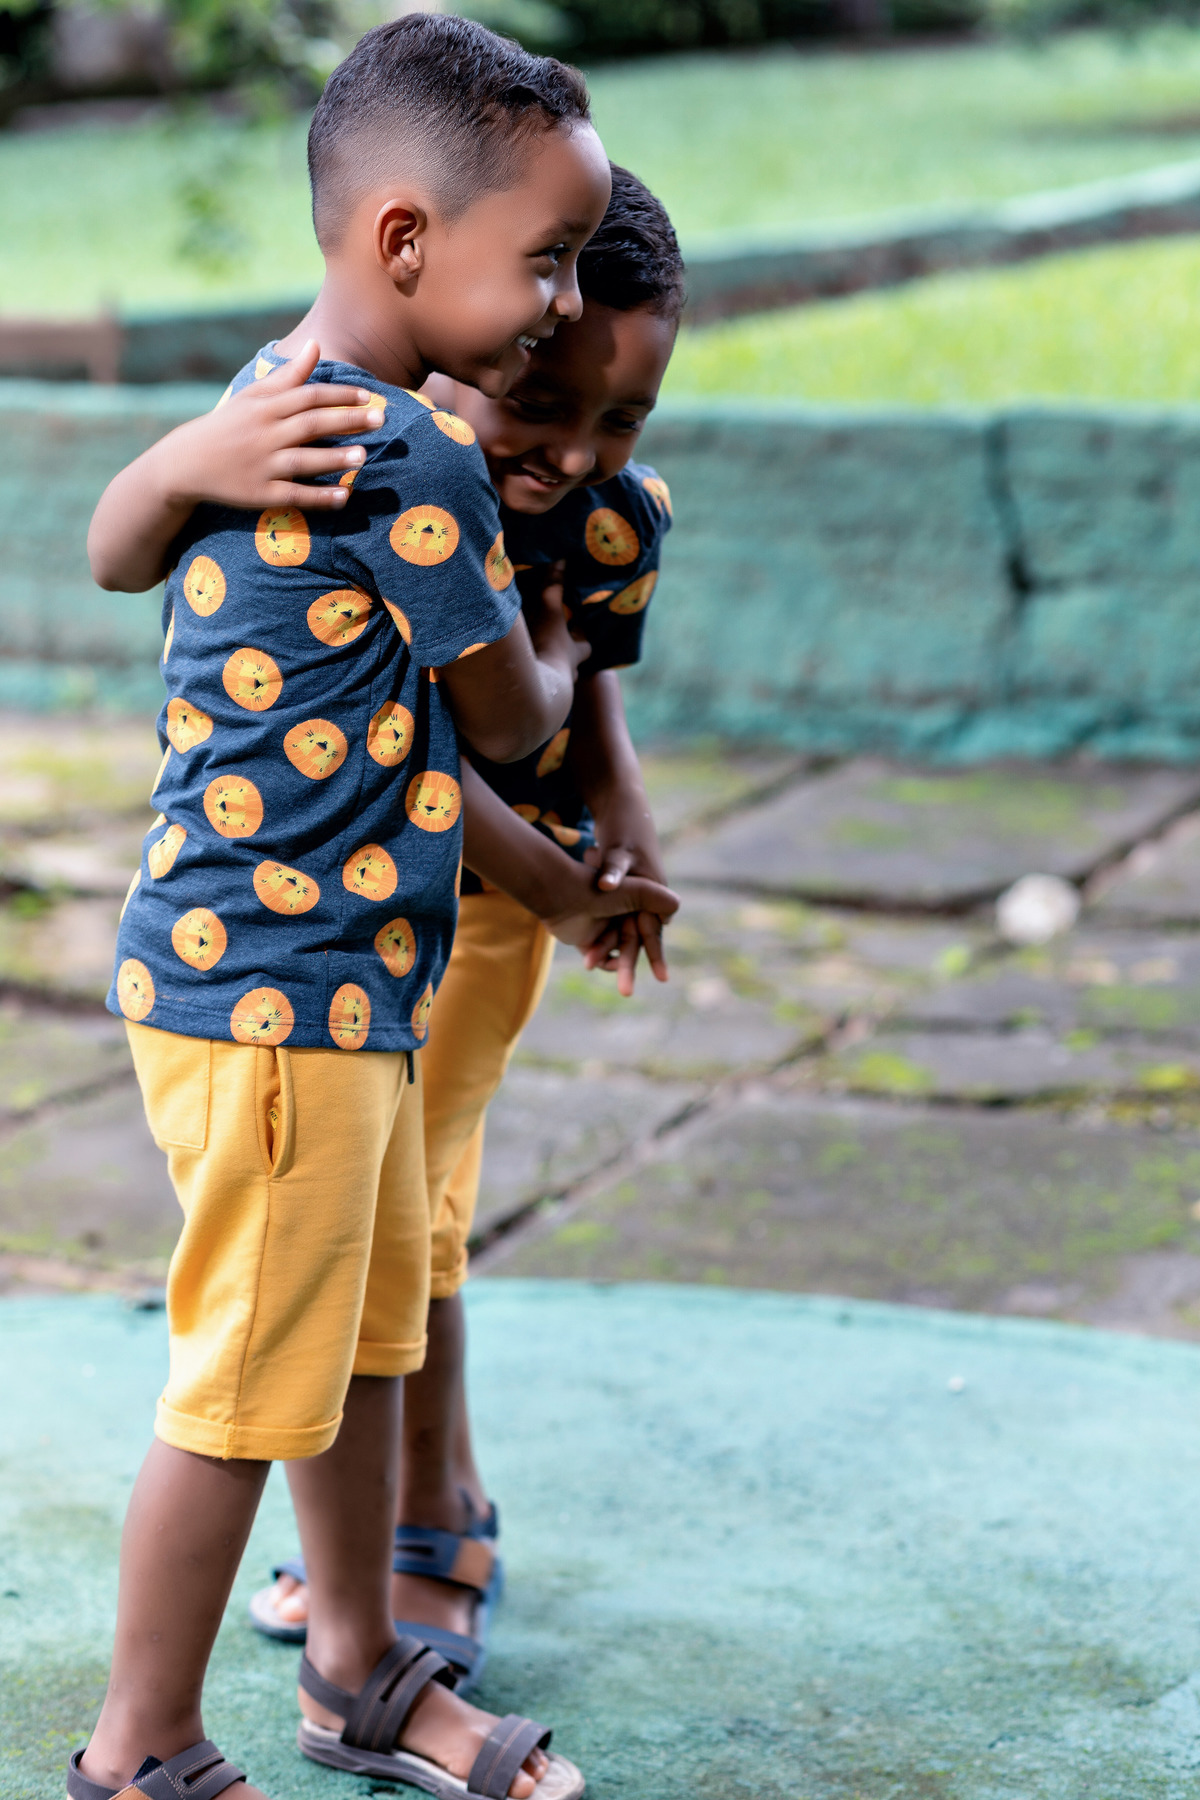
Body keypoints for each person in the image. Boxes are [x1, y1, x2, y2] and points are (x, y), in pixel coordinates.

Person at [69, 17, 670, 1800]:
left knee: (362, 1331)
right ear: (407, 240)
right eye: (548, 261)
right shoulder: (414, 463)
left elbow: (122, 554)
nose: (563, 304)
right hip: (283, 995)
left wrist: (558, 882)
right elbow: (508, 725)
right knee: (247, 1384)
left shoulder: (274, 390)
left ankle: (357, 1669)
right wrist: (564, 649)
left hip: (329, 975)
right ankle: (143, 1746)